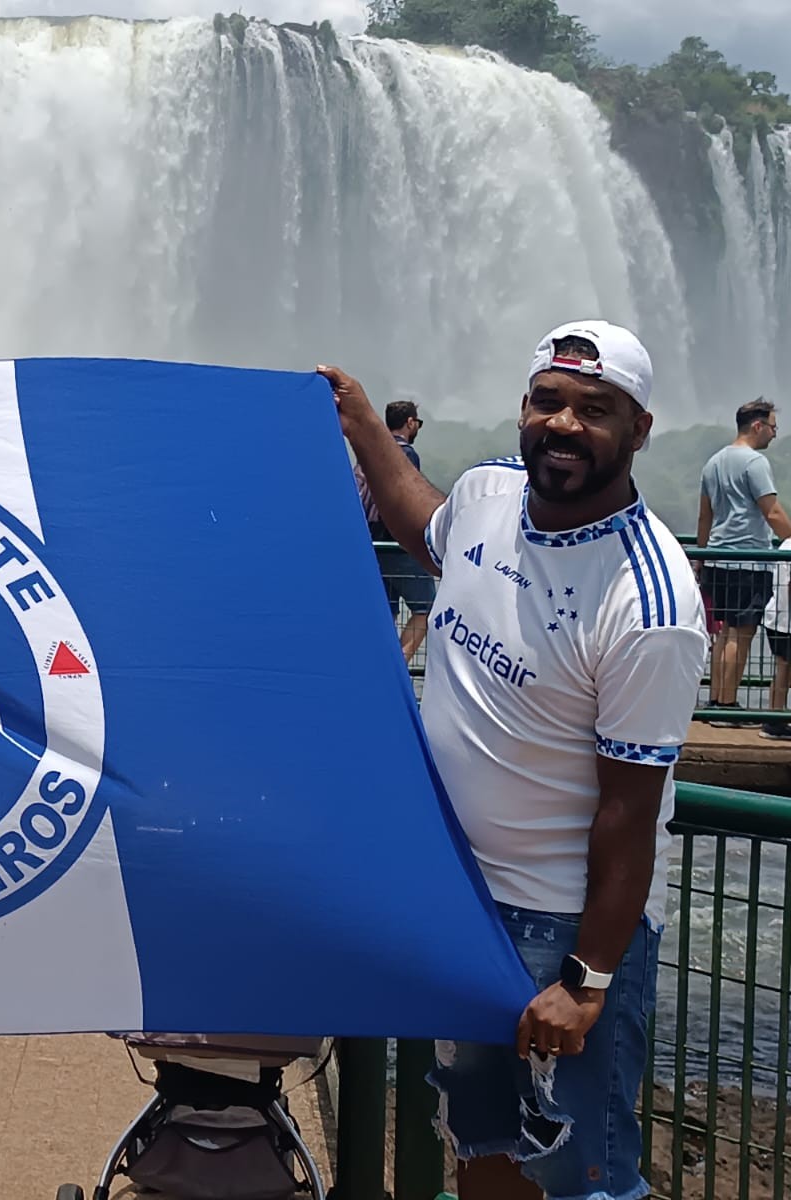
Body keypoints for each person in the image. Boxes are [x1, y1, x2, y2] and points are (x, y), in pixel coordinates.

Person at [325, 320, 707, 1200]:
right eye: (549, 401)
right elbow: (426, 529)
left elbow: (629, 812)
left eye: (595, 410)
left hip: (559, 931)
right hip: (464, 905)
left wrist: (588, 981)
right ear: (524, 407)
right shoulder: (489, 491)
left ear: (640, 429)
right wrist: (361, 424)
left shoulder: (649, 602)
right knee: (483, 1145)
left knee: (580, 1178)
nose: (564, 424)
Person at [696, 399, 791, 724]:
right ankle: (728, 706)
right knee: (742, 633)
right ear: (757, 426)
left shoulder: (713, 462)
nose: (774, 434)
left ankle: (716, 702)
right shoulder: (754, 463)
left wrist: (702, 555)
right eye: (773, 427)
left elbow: (705, 516)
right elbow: (773, 512)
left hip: (717, 558)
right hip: (748, 561)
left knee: (725, 633)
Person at [360, 399, 436, 663]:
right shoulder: (405, 455)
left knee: (387, 612)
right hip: (395, 543)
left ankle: (376, 663)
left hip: (371, 544)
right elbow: (405, 500)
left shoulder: (370, 452)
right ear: (410, 423)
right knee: (427, 608)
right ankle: (399, 666)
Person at [759, 535, 791, 741]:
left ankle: (774, 717)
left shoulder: (786, 543)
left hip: (777, 617)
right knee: (784, 669)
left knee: (783, 668)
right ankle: (774, 721)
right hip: (785, 621)